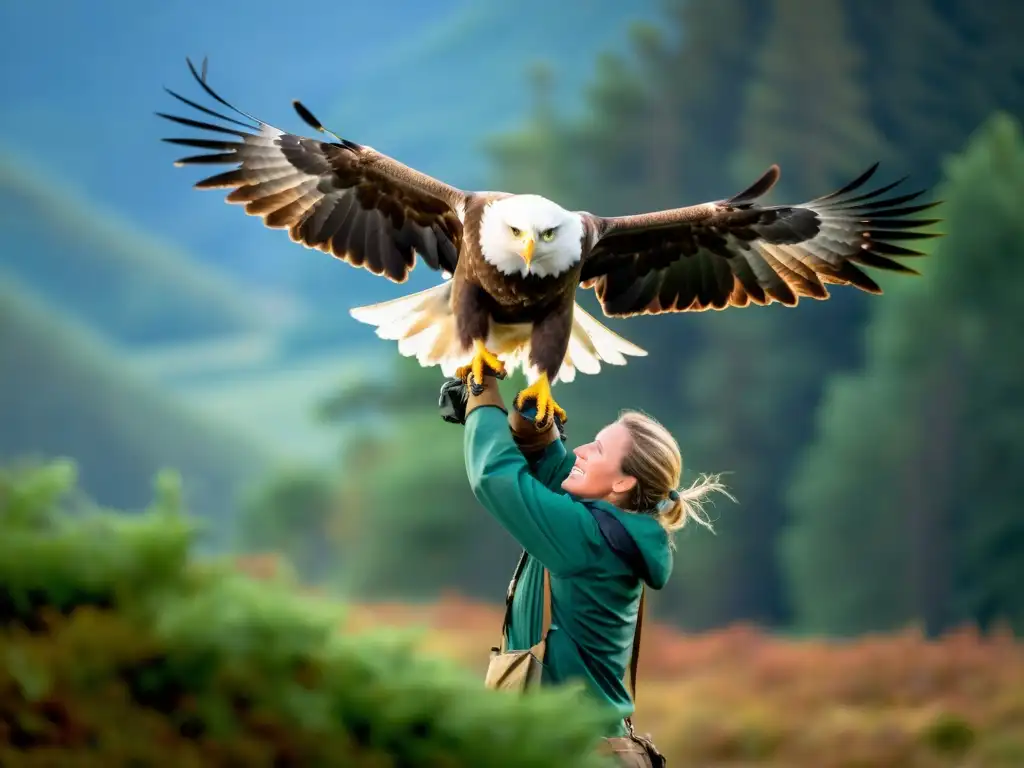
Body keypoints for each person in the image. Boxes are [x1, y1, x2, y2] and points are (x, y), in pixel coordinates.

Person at [438, 372, 734, 766]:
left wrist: (482, 399)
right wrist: (535, 429)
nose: (579, 450)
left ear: (624, 482)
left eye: (596, 449)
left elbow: (496, 478)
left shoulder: (588, 539)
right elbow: (560, 475)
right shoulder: (613, 527)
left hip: (570, 753)